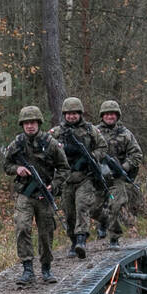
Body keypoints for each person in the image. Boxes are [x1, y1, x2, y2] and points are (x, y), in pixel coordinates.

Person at [3, 105, 70, 286]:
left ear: (38, 123)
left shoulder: (51, 143)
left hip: (44, 194)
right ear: (22, 125)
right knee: (22, 227)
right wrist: (17, 168)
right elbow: (6, 165)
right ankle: (27, 269)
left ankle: (46, 268)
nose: (30, 126)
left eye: (33, 122)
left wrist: (53, 186)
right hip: (24, 194)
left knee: (46, 233)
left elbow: (64, 168)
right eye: (26, 123)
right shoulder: (17, 144)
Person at [49, 97, 106, 258]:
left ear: (80, 114)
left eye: (75, 113)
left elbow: (103, 147)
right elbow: (47, 150)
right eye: (68, 114)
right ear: (64, 114)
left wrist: (91, 157)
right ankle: (73, 240)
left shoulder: (90, 130)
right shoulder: (56, 133)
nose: (72, 116)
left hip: (85, 177)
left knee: (82, 206)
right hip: (66, 179)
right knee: (69, 212)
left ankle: (81, 239)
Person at [94, 100, 143, 247]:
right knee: (92, 207)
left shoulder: (126, 134)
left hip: (117, 178)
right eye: (107, 114)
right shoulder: (94, 132)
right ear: (102, 116)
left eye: (113, 114)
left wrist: (124, 167)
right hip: (97, 177)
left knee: (115, 204)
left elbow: (137, 154)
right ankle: (103, 221)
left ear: (117, 116)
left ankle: (114, 237)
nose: (110, 117)